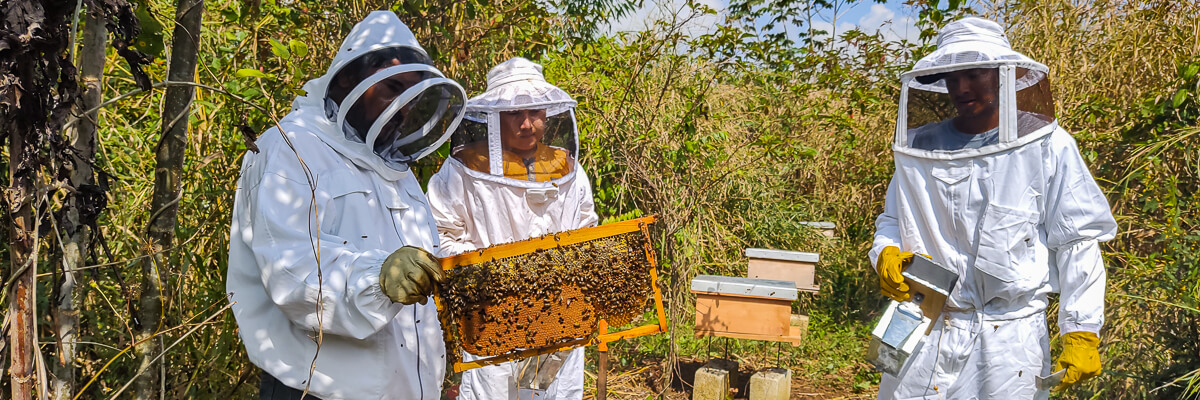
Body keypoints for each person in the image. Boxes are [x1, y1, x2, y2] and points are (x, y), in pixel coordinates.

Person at [870, 17, 1117, 400]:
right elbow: (893, 218)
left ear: (1004, 75)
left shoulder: (1047, 145)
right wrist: (884, 252)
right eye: (952, 76)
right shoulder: (922, 146)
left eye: (974, 74)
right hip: (920, 319)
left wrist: (1081, 330)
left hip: (1007, 340)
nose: (961, 87)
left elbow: (1078, 240)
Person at [226, 11, 467, 399]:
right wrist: (378, 278)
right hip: (316, 391)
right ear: (347, 81)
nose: (403, 106)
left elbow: (420, 296)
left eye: (412, 92)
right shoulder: (291, 149)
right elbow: (292, 269)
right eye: (392, 88)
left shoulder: (399, 174)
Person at [426, 57, 597, 400]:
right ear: (494, 117)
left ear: (548, 114)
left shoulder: (567, 168)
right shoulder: (462, 170)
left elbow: (586, 230)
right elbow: (440, 234)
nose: (526, 124)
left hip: (559, 312)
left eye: (534, 112)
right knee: (494, 390)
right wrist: (489, 271)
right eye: (515, 114)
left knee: (550, 392)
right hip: (493, 314)